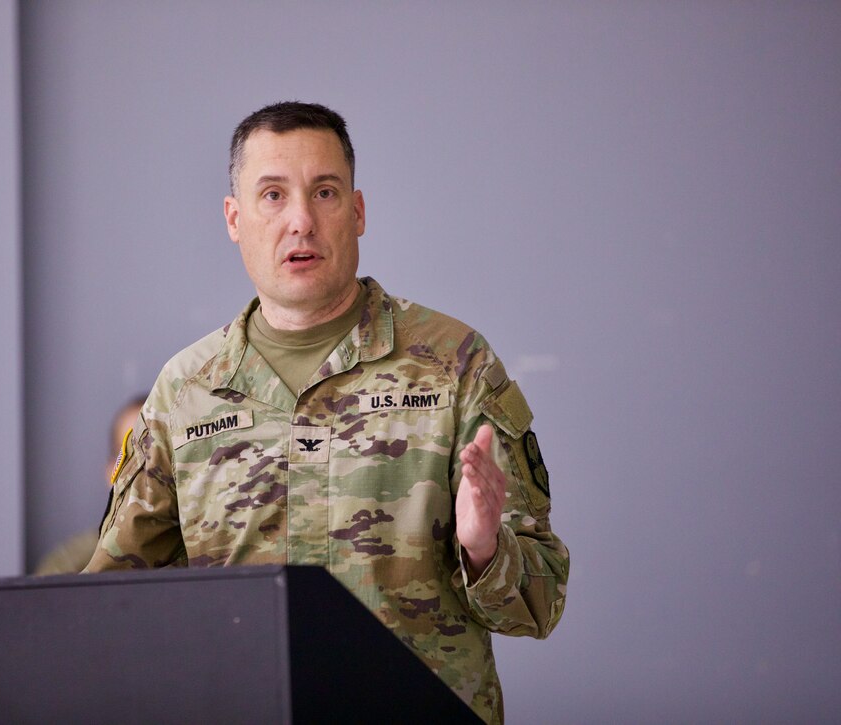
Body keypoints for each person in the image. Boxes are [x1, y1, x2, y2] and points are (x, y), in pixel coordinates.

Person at [83, 101, 569, 723]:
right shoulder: (184, 393)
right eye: (273, 195)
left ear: (358, 212)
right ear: (234, 219)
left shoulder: (455, 364)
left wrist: (483, 549)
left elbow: (541, 602)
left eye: (325, 192)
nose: (302, 221)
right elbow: (106, 608)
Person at [33, 395, 146, 576]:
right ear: (110, 472)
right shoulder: (69, 565)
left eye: (160, 455)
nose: (143, 469)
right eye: (128, 454)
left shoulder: (203, 556)